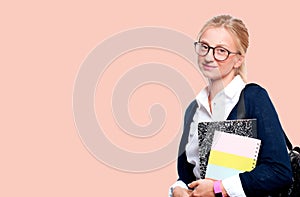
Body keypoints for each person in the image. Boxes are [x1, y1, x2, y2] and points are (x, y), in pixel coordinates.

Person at [169, 15, 293, 197]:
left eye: (221, 51)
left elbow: (279, 172)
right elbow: (188, 175)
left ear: (238, 60)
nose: (209, 57)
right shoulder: (193, 109)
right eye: (204, 47)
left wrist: (219, 188)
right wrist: (178, 188)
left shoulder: (253, 98)